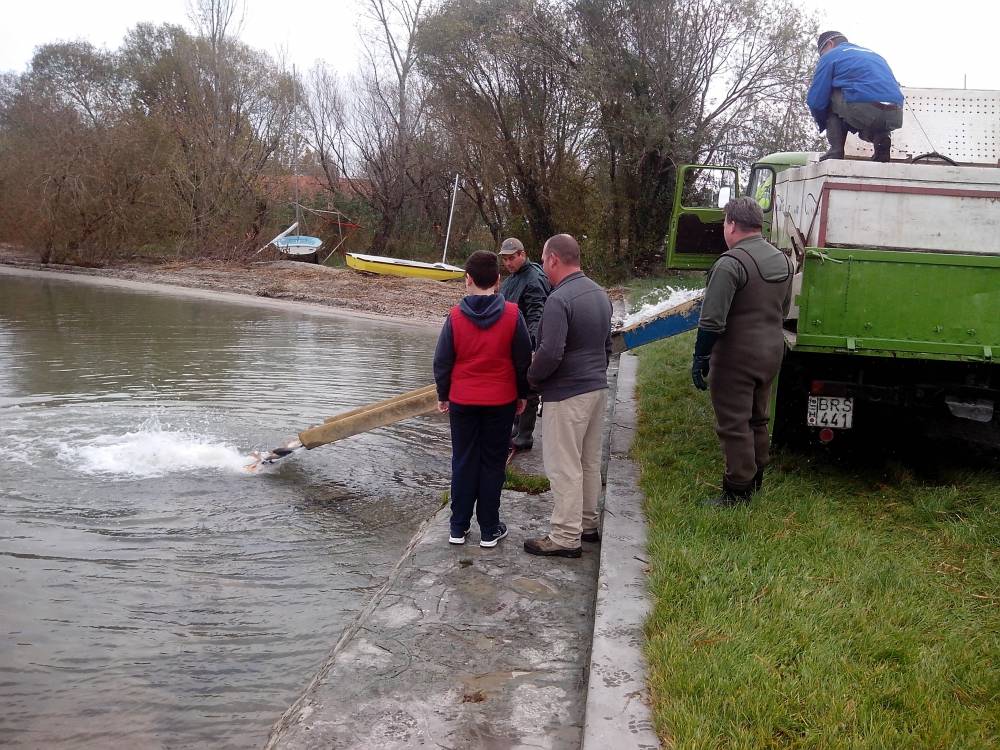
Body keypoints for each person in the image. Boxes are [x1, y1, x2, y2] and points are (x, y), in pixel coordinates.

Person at [691, 198, 794, 507]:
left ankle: (737, 490)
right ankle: (756, 476)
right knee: (758, 418)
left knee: (733, 424)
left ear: (732, 224)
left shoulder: (730, 263)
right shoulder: (783, 260)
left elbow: (711, 321)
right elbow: (784, 309)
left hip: (736, 356)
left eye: (725, 222)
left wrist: (701, 357)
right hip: (771, 351)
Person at [433, 250, 532, 547]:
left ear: (468, 280)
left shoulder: (455, 316)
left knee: (463, 461)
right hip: (500, 402)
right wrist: (522, 394)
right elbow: (522, 359)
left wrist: (443, 394)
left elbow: (442, 361)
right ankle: (489, 528)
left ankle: (458, 527)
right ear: (498, 281)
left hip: (463, 401)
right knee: (492, 463)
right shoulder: (513, 315)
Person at [523, 234, 613, 558]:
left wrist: (531, 379)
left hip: (567, 394)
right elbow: (607, 347)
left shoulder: (558, 300)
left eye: (544, 260)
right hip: (596, 389)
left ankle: (564, 536)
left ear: (553, 260)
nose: (543, 266)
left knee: (563, 466)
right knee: (588, 462)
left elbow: (550, 352)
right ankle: (587, 524)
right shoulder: (600, 294)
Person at [807, 31, 904, 162]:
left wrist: (822, 121)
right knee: (865, 106)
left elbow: (816, 101)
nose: (822, 56)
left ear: (830, 44)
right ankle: (881, 141)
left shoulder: (830, 56)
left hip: (864, 109)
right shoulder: (875, 55)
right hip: (894, 113)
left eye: (822, 52)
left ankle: (836, 150)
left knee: (827, 94)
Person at [498, 236, 551, 450]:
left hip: (526, 343)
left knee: (528, 389)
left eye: (512, 258)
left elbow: (537, 314)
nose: (508, 263)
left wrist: (531, 346)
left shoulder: (533, 278)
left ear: (523, 254)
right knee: (515, 386)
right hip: (512, 341)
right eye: (505, 259)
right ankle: (516, 427)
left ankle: (525, 435)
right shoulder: (512, 278)